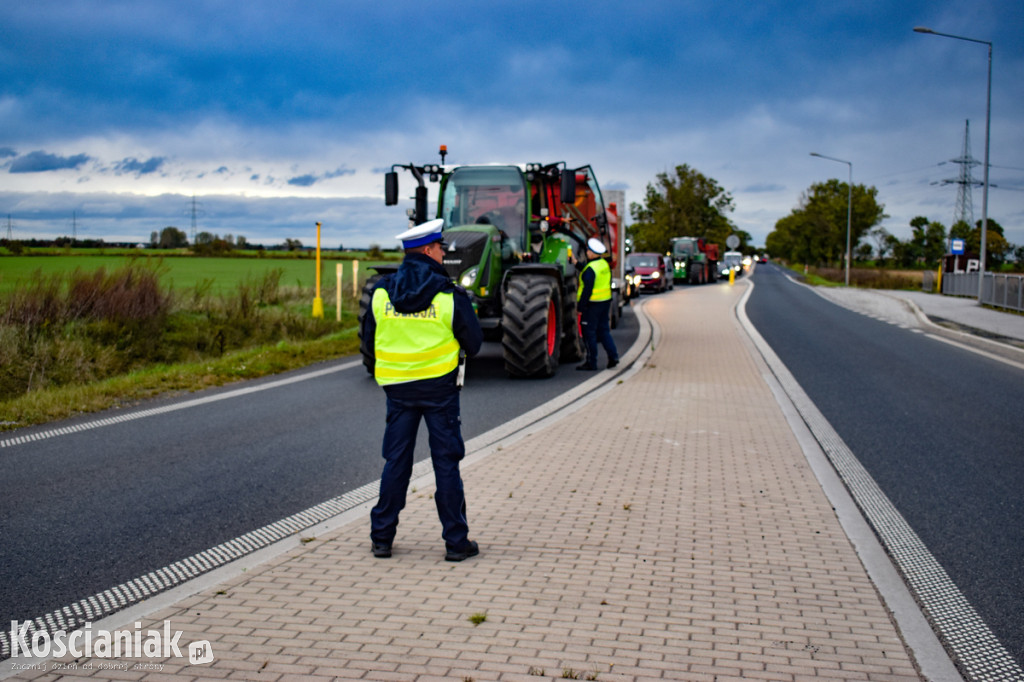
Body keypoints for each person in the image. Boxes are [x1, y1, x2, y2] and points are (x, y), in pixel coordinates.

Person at [360, 219, 484, 561]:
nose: (444, 253)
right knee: (446, 464)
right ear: (429, 250)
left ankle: (381, 538)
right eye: (441, 248)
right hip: (440, 392)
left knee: (396, 461)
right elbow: (473, 345)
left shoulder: (382, 292)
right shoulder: (449, 295)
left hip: (397, 391)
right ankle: (456, 543)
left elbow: (369, 345)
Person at [575, 237, 619, 371]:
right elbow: (589, 271)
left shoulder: (590, 269)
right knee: (604, 331)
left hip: (592, 305)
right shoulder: (603, 264)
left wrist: (580, 308)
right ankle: (613, 357)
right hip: (605, 303)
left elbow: (587, 290)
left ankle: (591, 362)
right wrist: (576, 263)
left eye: (589, 250)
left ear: (593, 253)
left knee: (589, 333)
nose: (587, 252)